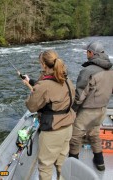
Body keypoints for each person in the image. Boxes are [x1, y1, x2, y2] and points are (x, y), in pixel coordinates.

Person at [23, 50, 76, 180]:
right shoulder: (66, 79)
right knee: (61, 164)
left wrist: (33, 91)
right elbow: (53, 91)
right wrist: (34, 84)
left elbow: (31, 106)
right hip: (68, 127)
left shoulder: (44, 85)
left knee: (45, 166)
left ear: (44, 65)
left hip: (53, 131)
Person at [69, 41, 113, 171]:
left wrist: (72, 110)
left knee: (75, 137)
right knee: (94, 135)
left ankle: (73, 165)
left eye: (87, 52)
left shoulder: (87, 71)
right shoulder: (111, 69)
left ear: (92, 53)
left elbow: (79, 96)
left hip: (87, 112)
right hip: (102, 110)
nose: (86, 54)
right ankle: (100, 162)